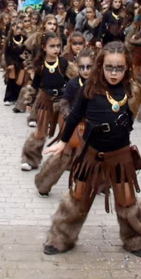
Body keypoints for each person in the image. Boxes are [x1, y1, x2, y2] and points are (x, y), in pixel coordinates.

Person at [42, 42, 141, 257]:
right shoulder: (88, 89)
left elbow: (133, 117)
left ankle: (136, 239)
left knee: (127, 200)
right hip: (90, 155)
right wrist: (62, 142)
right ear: (101, 66)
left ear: (127, 67)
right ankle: (61, 237)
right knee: (77, 197)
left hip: (119, 156)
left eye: (119, 67)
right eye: (109, 67)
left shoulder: (133, 91)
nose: (114, 73)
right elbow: (73, 116)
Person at [35, 48, 95, 197]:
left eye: (89, 67)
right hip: (74, 123)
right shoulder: (73, 84)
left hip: (92, 126)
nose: (86, 70)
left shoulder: (98, 84)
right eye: (82, 67)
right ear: (77, 65)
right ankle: (44, 183)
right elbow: (64, 102)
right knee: (64, 154)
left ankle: (96, 186)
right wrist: (69, 118)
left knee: (92, 156)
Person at [20, 32, 76, 171]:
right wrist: (29, 102)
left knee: (66, 130)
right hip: (45, 100)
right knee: (40, 131)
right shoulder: (39, 65)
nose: (56, 49)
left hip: (63, 101)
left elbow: (73, 81)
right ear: (44, 47)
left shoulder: (64, 63)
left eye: (58, 46)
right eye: (52, 46)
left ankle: (67, 161)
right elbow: (35, 86)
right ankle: (30, 159)